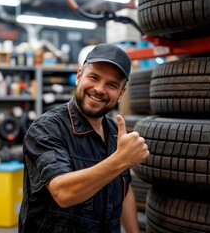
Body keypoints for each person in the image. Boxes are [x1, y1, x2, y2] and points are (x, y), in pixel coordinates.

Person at [19, 43, 150, 233]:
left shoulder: (116, 133)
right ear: (79, 76)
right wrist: (120, 160)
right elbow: (63, 193)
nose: (99, 89)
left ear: (121, 93)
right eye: (93, 77)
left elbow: (124, 189)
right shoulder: (46, 129)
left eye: (112, 85)